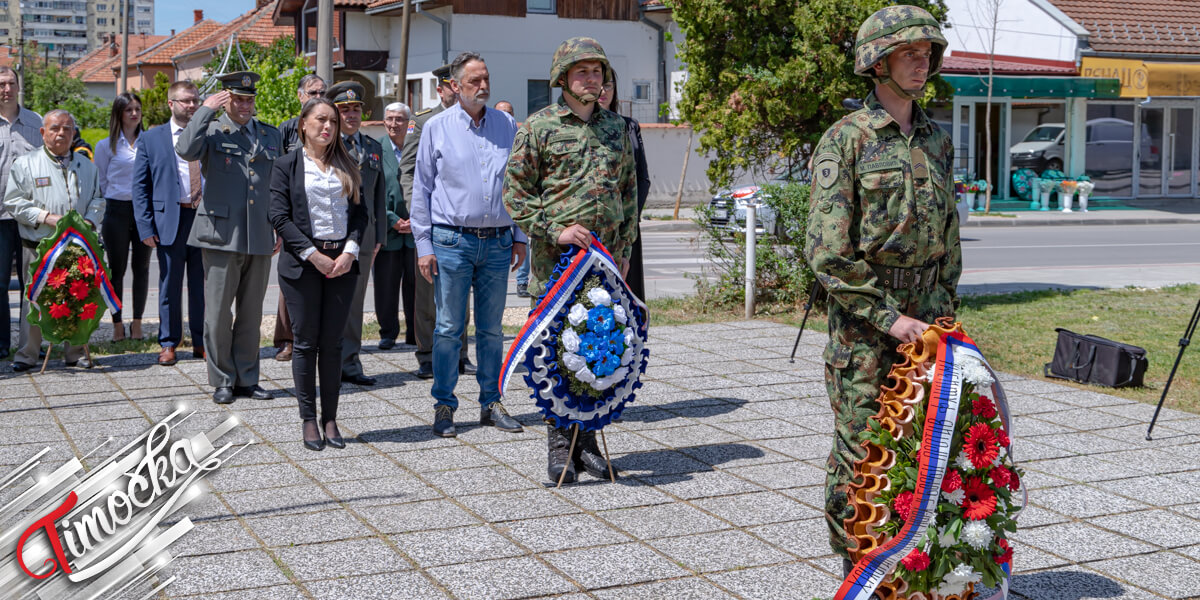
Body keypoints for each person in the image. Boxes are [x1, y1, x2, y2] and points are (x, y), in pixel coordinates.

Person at [803, 5, 961, 576]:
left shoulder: (937, 140)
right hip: (868, 327)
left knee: (926, 450)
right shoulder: (846, 141)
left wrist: (946, 318)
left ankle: (912, 569)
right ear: (877, 63)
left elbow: (949, 238)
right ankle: (858, 572)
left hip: (930, 320)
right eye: (909, 54)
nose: (922, 64)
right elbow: (827, 253)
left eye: (927, 54)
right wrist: (889, 317)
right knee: (864, 450)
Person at [504, 38, 638, 482]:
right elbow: (516, 195)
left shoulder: (617, 128)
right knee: (558, 356)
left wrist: (623, 255)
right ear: (562, 79)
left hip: (605, 267)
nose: (592, 80)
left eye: (598, 72)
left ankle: (589, 444)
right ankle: (561, 447)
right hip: (556, 266)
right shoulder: (538, 129)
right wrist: (554, 230)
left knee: (600, 351)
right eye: (583, 73)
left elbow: (629, 196)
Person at [413, 51, 526, 438]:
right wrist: (423, 245)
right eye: (474, 81)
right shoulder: (437, 127)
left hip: (497, 242)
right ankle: (444, 405)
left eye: (486, 78)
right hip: (451, 242)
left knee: (492, 330)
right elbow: (422, 189)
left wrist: (521, 235)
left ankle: (491, 403)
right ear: (455, 86)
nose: (483, 86)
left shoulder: (507, 124)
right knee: (448, 328)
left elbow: (519, 184)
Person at [175, 71, 283, 405]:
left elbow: (277, 183)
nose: (245, 105)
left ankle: (247, 378)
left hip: (259, 234)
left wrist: (278, 223)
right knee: (219, 313)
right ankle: (222, 378)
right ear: (226, 99)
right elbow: (185, 150)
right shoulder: (210, 130)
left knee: (251, 312)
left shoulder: (270, 134)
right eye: (238, 99)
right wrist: (205, 109)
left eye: (249, 99)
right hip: (221, 234)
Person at [270, 97, 367, 451]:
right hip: (302, 265)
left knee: (333, 344)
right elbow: (279, 216)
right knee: (306, 342)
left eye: (333, 122)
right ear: (303, 125)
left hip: (342, 263)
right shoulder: (286, 165)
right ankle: (308, 419)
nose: (328, 127)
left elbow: (360, 216)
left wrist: (349, 251)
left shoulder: (348, 163)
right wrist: (314, 256)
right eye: (321, 120)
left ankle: (330, 418)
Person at [3, 110, 104, 371]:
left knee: (77, 297)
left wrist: (90, 222)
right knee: (35, 299)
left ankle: (74, 353)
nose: (61, 133)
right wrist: (45, 217)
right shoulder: (26, 164)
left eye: (67, 129)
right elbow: (13, 203)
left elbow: (98, 199)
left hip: (77, 245)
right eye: (55, 128)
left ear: (74, 133)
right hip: (39, 246)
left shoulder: (86, 166)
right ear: (42, 132)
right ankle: (27, 354)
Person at [400, 64, 472, 379]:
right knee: (429, 295)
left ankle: (460, 354)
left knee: (460, 293)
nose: (455, 93)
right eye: (450, 88)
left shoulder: (472, 120)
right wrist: (416, 212)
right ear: (441, 89)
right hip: (432, 220)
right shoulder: (424, 121)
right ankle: (427, 354)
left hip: (462, 222)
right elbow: (408, 170)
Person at [133, 81, 207, 366]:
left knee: (202, 286)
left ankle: (201, 341)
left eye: (195, 101)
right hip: (169, 220)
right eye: (185, 101)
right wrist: (145, 226)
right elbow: (140, 187)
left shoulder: (207, 134)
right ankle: (168, 342)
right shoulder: (152, 139)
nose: (191, 106)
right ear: (171, 103)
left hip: (203, 218)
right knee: (169, 284)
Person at [325, 82, 386, 387]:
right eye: (344, 109)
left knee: (355, 302)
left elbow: (379, 195)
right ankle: (328, 363)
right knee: (329, 302)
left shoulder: (373, 148)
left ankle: (350, 362)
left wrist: (379, 237)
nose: (351, 114)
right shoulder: (324, 146)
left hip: (364, 236)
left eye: (355, 109)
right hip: (331, 235)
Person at [273, 74, 327, 362]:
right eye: (312, 91)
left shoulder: (331, 128)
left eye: (322, 91)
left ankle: (316, 339)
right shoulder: (286, 131)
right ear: (300, 96)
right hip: (293, 219)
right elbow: (277, 177)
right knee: (290, 283)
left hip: (325, 218)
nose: (318, 95)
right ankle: (286, 339)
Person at [95, 92, 151, 342]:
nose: (134, 113)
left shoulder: (148, 142)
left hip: (143, 211)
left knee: (142, 268)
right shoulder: (105, 145)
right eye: (128, 109)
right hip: (115, 210)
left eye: (137, 109)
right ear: (119, 114)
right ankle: (117, 323)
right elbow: (101, 181)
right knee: (116, 270)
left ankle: (137, 323)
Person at [0, 66, 42, 360]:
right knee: (0, 283)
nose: (6, 89)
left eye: (11, 83)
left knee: (34, 283)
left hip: (30, 216)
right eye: (1, 84)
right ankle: (2, 343)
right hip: (0, 218)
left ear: (19, 86)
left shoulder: (35, 122)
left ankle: (32, 344)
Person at [598, 72, 651, 301]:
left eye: (608, 85)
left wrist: (629, 218)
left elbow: (642, 178)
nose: (602, 91)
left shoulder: (630, 127)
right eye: (598, 85)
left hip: (626, 226)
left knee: (627, 296)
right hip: (595, 226)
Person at [374, 102, 416, 350]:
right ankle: (388, 332)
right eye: (389, 118)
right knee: (386, 285)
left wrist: (416, 219)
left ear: (408, 122)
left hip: (415, 229)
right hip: (388, 230)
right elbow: (372, 191)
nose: (393, 123)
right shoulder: (375, 149)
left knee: (415, 285)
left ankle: (414, 331)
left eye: (399, 119)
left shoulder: (417, 148)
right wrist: (392, 219)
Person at [493, 99, 531, 298]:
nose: (506, 116)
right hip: (495, 204)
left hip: (517, 200)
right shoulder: (492, 136)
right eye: (501, 112)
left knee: (522, 240)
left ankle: (522, 281)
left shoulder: (523, 137)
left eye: (509, 112)